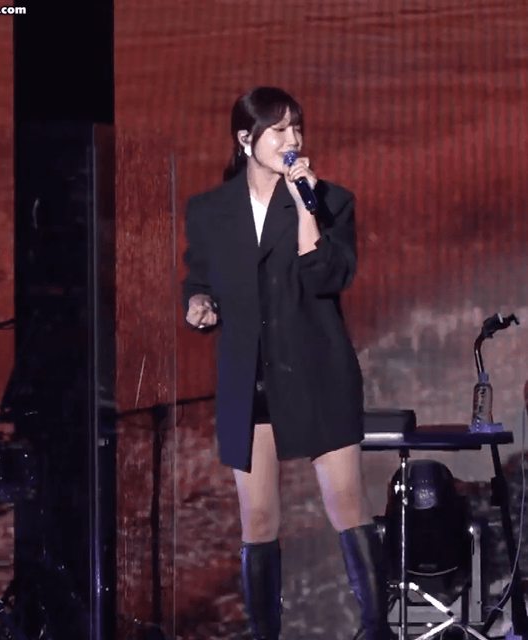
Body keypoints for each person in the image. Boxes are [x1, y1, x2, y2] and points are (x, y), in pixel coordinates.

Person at [183, 86, 390, 640]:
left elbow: (326, 277)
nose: (292, 139)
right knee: (258, 518)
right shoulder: (209, 211)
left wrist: (305, 205)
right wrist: (198, 303)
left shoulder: (331, 200)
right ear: (245, 139)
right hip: (249, 377)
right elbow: (200, 278)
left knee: (347, 502)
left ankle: (377, 630)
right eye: (278, 130)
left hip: (317, 370)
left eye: (296, 127)